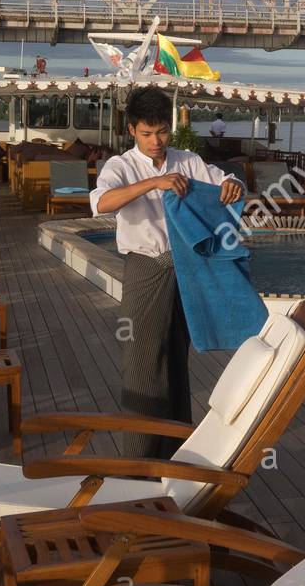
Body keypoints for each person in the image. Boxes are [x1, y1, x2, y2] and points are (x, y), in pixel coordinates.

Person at [89, 85, 245, 459]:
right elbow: (101, 203)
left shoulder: (187, 160)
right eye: (147, 133)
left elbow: (228, 181)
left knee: (177, 362)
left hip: (186, 271)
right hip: (145, 268)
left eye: (161, 132)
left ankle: (175, 456)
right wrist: (154, 183)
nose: (156, 141)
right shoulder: (121, 166)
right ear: (131, 130)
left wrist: (232, 186)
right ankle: (136, 462)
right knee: (142, 365)